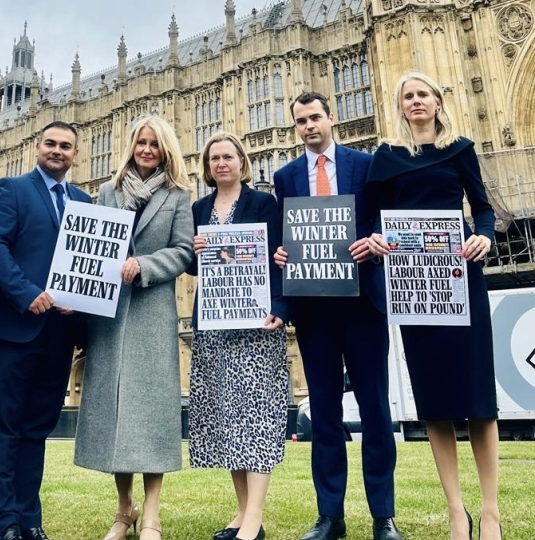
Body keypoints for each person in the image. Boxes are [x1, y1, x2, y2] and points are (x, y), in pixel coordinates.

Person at [366, 72, 501, 540]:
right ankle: (456, 512)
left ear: (438, 101)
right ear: (400, 106)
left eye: (423, 94)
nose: (416, 101)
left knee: (480, 400)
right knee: (436, 403)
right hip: (415, 288)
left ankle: (490, 512)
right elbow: (372, 220)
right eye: (408, 95)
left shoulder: (460, 148)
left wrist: (483, 233)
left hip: (462, 276)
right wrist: (378, 239)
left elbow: (482, 208)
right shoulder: (386, 157)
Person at [273, 92, 403, 540]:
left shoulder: (365, 165)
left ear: (332, 118)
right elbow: (284, 236)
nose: (309, 126)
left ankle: (383, 515)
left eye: (315, 118)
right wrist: (282, 254)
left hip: (363, 303)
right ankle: (330, 516)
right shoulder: (285, 176)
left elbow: (389, 218)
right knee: (325, 414)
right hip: (314, 312)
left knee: (375, 410)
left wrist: (377, 240)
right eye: (301, 121)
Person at [74, 115, 194, 540]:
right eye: (141, 142)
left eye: (154, 144)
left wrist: (143, 265)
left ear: (165, 150)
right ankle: (124, 510)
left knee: (151, 414)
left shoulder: (178, 195)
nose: (146, 150)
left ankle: (152, 515)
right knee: (115, 413)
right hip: (109, 315)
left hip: (152, 310)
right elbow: (88, 247)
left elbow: (183, 252)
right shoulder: (107, 192)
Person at [0, 121, 92, 540]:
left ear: (76, 154)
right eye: (51, 143)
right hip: (15, 327)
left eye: (66, 145)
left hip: (60, 332)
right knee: (4, 427)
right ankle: (2, 522)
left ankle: (29, 519)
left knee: (36, 430)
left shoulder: (83, 199)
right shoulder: (12, 188)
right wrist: (27, 293)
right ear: (36, 147)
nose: (58, 151)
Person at [188, 132, 289, 540]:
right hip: (214, 325)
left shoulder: (264, 204)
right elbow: (200, 269)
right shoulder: (199, 208)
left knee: (258, 419)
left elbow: (281, 258)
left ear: (242, 162)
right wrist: (195, 252)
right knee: (229, 418)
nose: (221, 164)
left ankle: (253, 520)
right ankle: (243, 512)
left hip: (256, 325)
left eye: (228, 157)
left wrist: (281, 309)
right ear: (208, 167)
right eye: (214, 158)